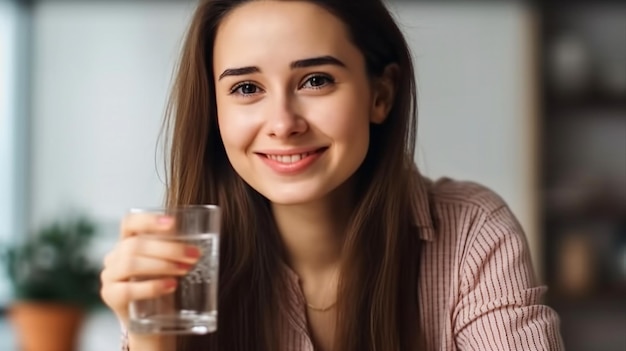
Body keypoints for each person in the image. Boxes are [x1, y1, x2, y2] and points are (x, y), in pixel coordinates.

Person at [100, 0, 565, 350]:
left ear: (380, 95)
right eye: (246, 88)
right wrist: (152, 341)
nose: (283, 123)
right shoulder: (181, 272)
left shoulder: (470, 232)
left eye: (315, 80)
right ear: (214, 113)